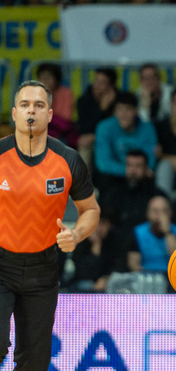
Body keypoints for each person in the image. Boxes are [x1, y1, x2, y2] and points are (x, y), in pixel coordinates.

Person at [0, 80, 100, 369]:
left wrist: (77, 233)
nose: (32, 110)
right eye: (25, 104)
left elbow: (91, 210)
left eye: (39, 105)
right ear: (14, 113)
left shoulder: (69, 159)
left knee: (34, 362)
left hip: (43, 268)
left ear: (51, 115)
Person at [94, 92, 158, 189]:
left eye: (128, 109)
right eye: (119, 109)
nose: (123, 114)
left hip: (141, 176)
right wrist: (129, 171)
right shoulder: (104, 127)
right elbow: (103, 163)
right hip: (113, 175)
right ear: (115, 111)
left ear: (136, 111)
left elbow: (150, 160)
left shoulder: (147, 128)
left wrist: (137, 171)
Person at [100, 149, 166, 235]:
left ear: (146, 169)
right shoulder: (114, 193)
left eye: (138, 166)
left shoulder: (156, 194)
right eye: (129, 165)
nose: (133, 170)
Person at [69, 207, 126, 293]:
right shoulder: (80, 241)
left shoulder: (117, 242)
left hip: (110, 283)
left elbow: (120, 267)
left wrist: (106, 279)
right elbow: (82, 273)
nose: (97, 228)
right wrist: (95, 248)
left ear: (110, 226)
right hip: (84, 284)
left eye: (102, 223)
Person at [76, 67, 119, 170]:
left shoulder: (119, 100)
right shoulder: (83, 100)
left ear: (111, 87)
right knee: (84, 143)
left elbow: (120, 126)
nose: (97, 85)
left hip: (115, 137)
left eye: (102, 83)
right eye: (96, 81)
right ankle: (84, 184)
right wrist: (102, 109)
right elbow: (85, 129)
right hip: (93, 137)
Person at [127, 195, 176, 273]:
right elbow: (133, 264)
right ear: (147, 213)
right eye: (155, 211)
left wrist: (167, 232)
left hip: (173, 275)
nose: (160, 216)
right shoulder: (138, 232)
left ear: (171, 213)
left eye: (164, 211)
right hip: (146, 277)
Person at [36, 63, 78, 148]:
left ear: (56, 78)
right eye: (42, 77)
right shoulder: (34, 94)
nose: (45, 80)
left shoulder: (66, 93)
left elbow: (65, 122)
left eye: (48, 77)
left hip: (61, 135)